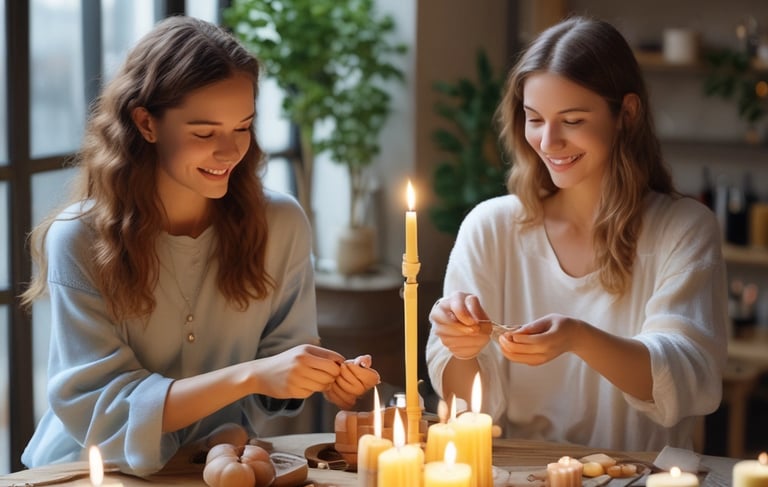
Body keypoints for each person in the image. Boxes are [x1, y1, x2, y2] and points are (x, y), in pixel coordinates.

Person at [20, 15, 379, 476]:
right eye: (204, 133)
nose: (231, 152)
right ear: (146, 123)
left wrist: (318, 374)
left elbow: (279, 369)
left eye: (243, 127)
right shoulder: (80, 239)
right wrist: (251, 374)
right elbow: (100, 408)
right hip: (89, 469)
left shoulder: (281, 223)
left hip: (216, 463)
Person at [426, 16, 728, 452]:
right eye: (534, 119)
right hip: (519, 478)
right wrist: (462, 347)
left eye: (571, 120)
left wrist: (579, 338)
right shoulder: (491, 228)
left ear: (626, 114)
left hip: (639, 477)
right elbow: (466, 408)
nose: (548, 141)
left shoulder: (682, 229)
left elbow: (686, 378)